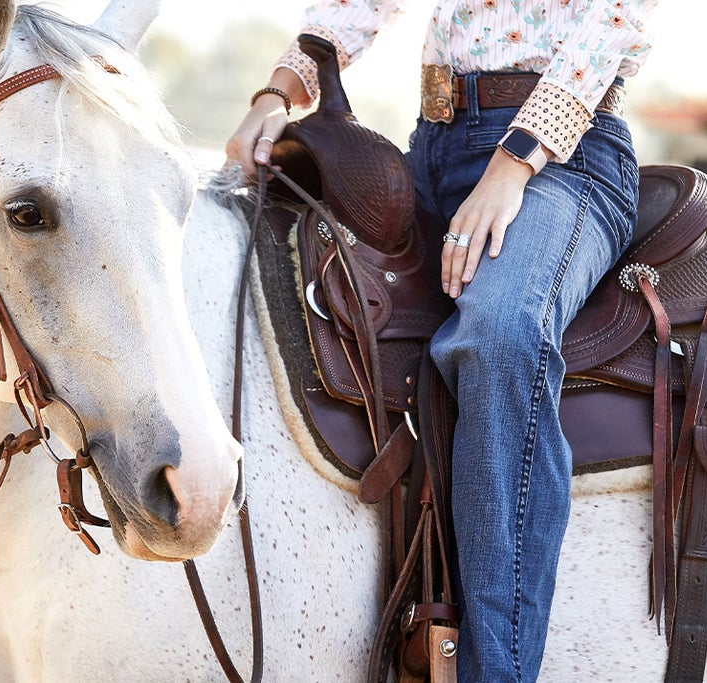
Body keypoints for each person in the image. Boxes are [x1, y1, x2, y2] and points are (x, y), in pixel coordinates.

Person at [226, 1, 656, 679]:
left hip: (564, 160)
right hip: (431, 145)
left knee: (500, 332)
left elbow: (610, 24)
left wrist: (511, 165)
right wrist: (279, 92)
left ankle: (499, 668)